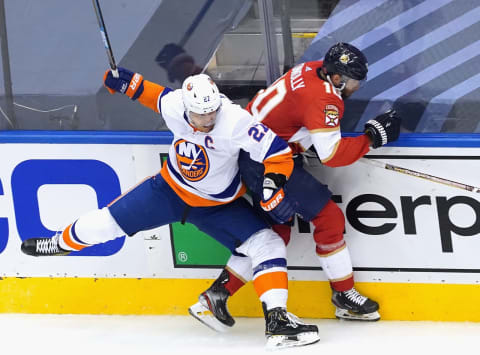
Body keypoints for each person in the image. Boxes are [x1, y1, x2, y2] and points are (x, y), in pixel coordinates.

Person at [20, 71, 319, 349]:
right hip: (167, 192)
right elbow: (147, 92)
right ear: (187, 107)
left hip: (218, 206)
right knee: (107, 223)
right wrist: (121, 81)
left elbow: (277, 152)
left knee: (268, 244)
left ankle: (277, 321)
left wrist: (271, 184)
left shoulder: (236, 121)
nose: (208, 118)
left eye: (212, 111)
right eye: (201, 114)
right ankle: (59, 243)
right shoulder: (175, 104)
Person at [189, 42, 402, 330]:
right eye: (352, 81)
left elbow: (290, 114)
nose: (355, 87)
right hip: (270, 163)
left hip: (255, 154)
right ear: (336, 77)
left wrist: (303, 141)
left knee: (272, 234)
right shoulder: (326, 99)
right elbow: (333, 155)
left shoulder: (311, 68)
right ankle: (344, 295)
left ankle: (214, 296)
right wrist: (371, 139)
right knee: (329, 218)